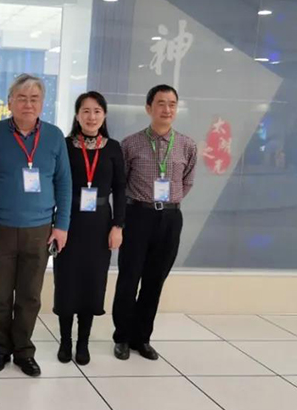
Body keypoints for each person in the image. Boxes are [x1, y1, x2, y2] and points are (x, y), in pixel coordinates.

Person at [0, 74, 72, 377]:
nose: (28, 104)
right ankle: (0, 347)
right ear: (10, 102)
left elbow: (64, 183)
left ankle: (23, 350)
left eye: (34, 98)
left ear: (42, 103)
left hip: (40, 229)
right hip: (1, 228)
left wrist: (61, 226)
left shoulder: (54, 136)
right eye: (21, 98)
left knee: (30, 295)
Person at [112, 84, 197, 361]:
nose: (167, 109)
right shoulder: (130, 144)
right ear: (149, 108)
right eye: (161, 103)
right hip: (138, 215)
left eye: (172, 104)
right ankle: (122, 337)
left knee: (154, 281)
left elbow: (187, 182)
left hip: (170, 219)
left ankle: (142, 338)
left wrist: (169, 204)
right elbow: (120, 184)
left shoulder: (187, 145)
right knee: (129, 279)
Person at [53, 92, 126, 365]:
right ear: (77, 115)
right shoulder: (65, 145)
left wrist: (118, 225)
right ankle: (65, 341)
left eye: (97, 111)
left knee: (92, 282)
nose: (91, 116)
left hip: (100, 224)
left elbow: (121, 189)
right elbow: (55, 182)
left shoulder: (113, 148)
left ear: (104, 115)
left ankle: (83, 342)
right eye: (85, 111)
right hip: (68, 222)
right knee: (67, 281)